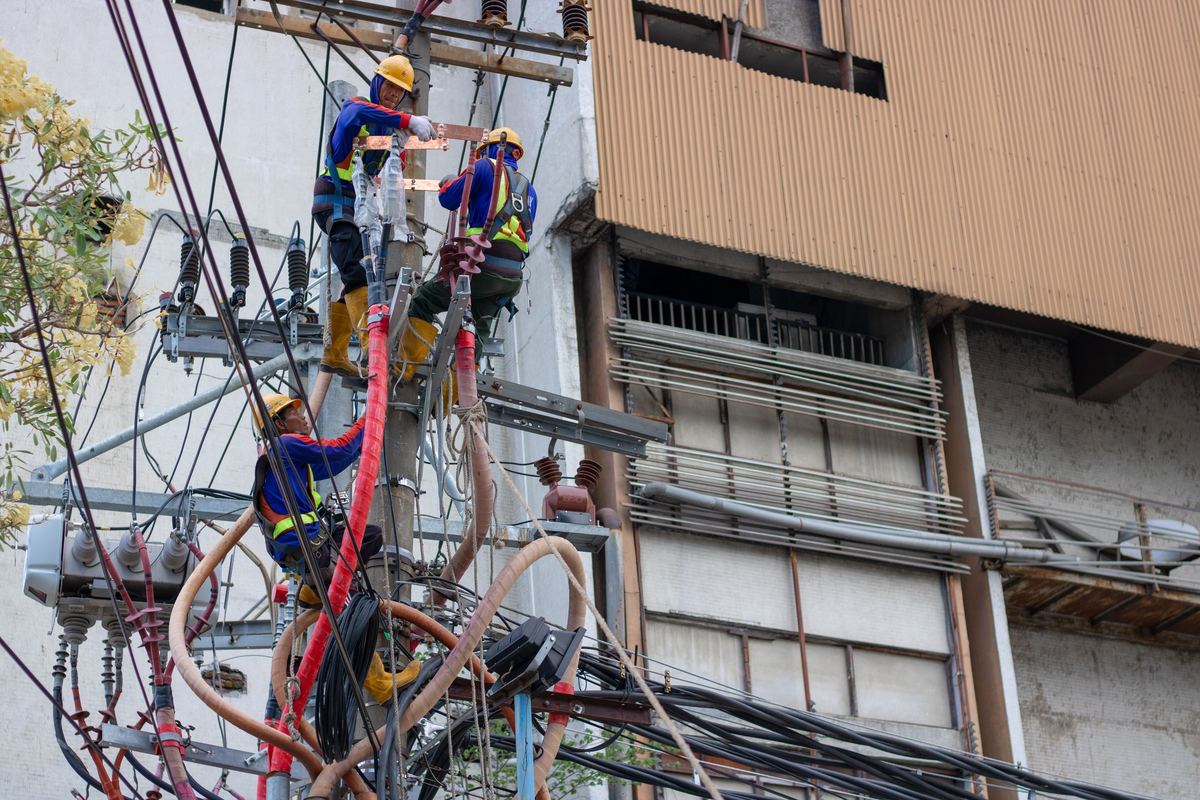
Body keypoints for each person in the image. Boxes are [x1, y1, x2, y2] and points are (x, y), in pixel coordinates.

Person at [250, 393, 414, 703]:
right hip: (309, 545)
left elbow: (335, 461)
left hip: (305, 547)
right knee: (352, 605)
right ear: (278, 423)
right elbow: (338, 451)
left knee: (369, 537)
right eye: (294, 411)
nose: (302, 415)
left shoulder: (284, 457)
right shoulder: (286, 445)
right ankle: (378, 682)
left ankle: (314, 590)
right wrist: (370, 418)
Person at [313, 54, 436, 377]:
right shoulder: (357, 110)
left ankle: (335, 352)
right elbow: (354, 110)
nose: (394, 95)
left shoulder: (385, 129)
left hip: (359, 206)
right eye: (390, 87)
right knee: (357, 271)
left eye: (400, 92)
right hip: (337, 201)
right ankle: (372, 344)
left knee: (356, 274)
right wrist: (408, 122)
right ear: (377, 83)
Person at [397, 127, 537, 379]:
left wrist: (450, 182)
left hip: (479, 266)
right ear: (516, 154)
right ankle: (454, 390)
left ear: (488, 149)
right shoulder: (530, 191)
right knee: (479, 328)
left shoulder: (483, 167)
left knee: (423, 301)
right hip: (510, 278)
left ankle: (404, 370)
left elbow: (449, 199)